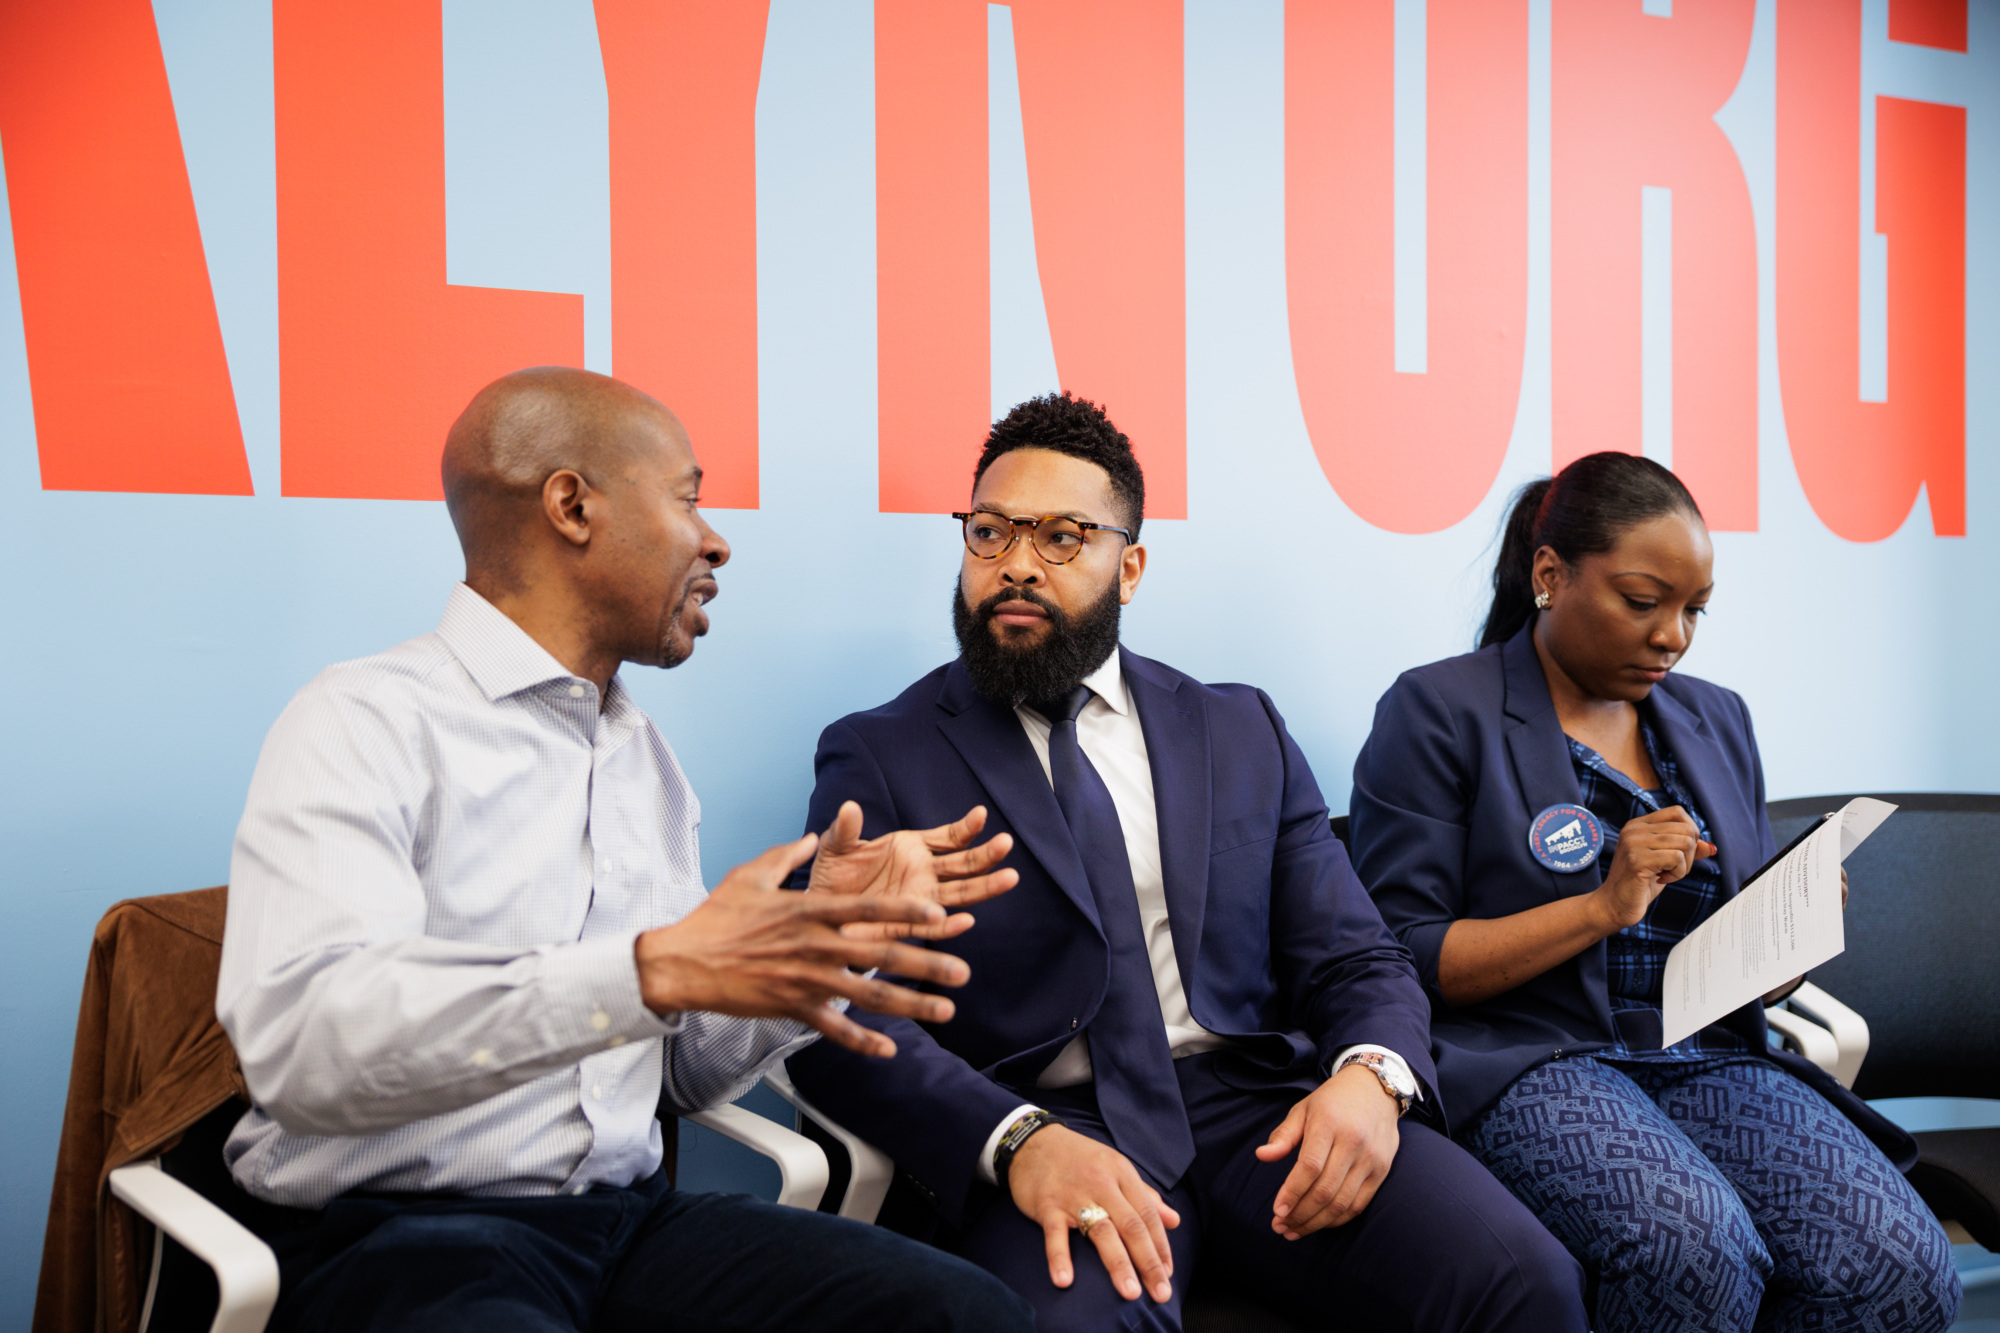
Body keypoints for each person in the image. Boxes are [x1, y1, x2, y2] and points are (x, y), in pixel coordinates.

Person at [216, 367, 1037, 1333]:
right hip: (403, 1235)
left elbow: (681, 1073)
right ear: (572, 505)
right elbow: (306, 1046)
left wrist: (824, 938)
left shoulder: (641, 754)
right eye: (688, 497)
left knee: (965, 1315)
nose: (716, 537)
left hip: (626, 1223)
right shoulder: (363, 721)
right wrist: (648, 970)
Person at [784, 392, 1588, 1332]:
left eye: (1061, 539)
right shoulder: (882, 751)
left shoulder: (1237, 727)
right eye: (991, 533)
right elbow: (831, 1006)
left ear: (1128, 568)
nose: (1014, 567)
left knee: (1522, 1279)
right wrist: (1015, 1140)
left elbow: (1356, 955)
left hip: (1251, 1110)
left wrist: (1374, 1077)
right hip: (1052, 1126)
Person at [1348, 452, 1962, 1333]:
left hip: (1704, 1054)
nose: (1673, 634)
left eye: (1693, 610)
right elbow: (1406, 957)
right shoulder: (1440, 709)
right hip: (1534, 1056)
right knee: (1690, 1247)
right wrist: (1602, 905)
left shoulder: (1718, 717)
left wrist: (1784, 945)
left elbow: (1734, 960)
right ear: (1551, 575)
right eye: (1644, 602)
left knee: (1895, 1265)